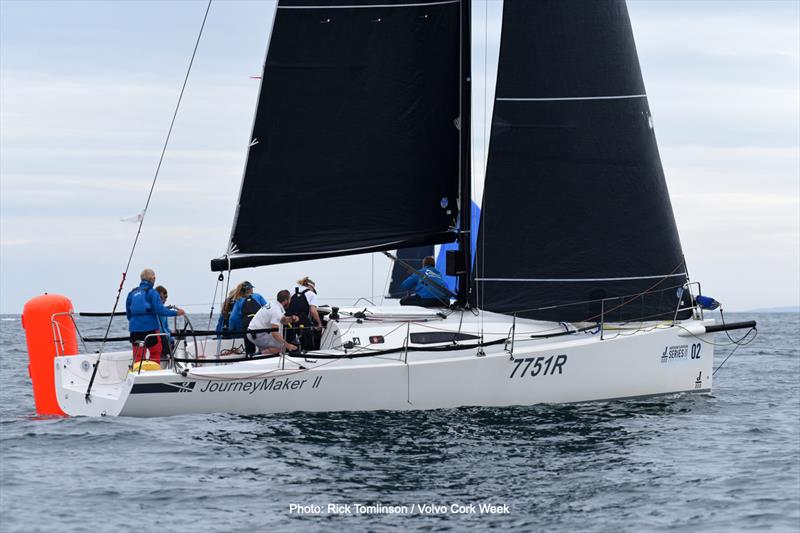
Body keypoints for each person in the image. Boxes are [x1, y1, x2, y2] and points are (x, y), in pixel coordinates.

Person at [126, 269, 185, 364]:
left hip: (134, 329)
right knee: (156, 351)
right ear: (152, 278)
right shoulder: (153, 293)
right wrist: (176, 313)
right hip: (150, 329)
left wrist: (135, 323)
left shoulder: (132, 293)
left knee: (138, 355)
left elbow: (128, 313)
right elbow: (160, 310)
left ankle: (137, 373)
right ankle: (153, 371)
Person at [247, 290, 298, 355]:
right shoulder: (276, 311)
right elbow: (274, 333)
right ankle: (255, 356)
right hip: (256, 334)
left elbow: (283, 321)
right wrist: (289, 346)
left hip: (254, 332)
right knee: (282, 347)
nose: (290, 301)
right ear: (286, 301)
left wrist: (292, 319)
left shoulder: (274, 303)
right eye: (290, 299)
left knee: (278, 345)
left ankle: (262, 354)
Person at [286, 276, 322, 350]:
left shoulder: (290, 291)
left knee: (288, 342)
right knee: (307, 345)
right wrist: (319, 323)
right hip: (302, 321)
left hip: (288, 320)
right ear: (310, 286)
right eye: (313, 290)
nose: (313, 291)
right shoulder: (311, 294)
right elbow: (313, 310)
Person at [154, 285, 175, 356]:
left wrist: (171, 333)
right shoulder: (154, 310)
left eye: (166, 297)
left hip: (166, 338)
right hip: (159, 338)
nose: (164, 300)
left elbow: (165, 326)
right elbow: (158, 329)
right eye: (161, 297)